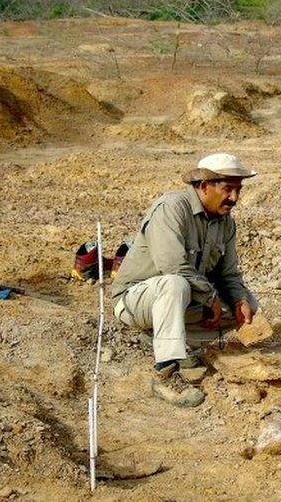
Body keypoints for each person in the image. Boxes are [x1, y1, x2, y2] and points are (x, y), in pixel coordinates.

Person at [110, 152, 259, 406]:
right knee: (175, 283)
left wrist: (238, 299)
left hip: (183, 299)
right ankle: (166, 373)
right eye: (227, 189)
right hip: (135, 300)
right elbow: (172, 266)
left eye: (238, 190)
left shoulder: (226, 224)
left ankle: (181, 346)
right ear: (204, 186)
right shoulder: (171, 208)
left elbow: (228, 273)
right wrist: (210, 296)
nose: (234, 198)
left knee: (248, 305)